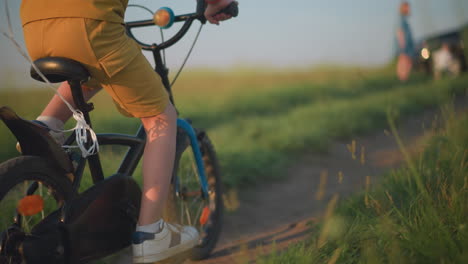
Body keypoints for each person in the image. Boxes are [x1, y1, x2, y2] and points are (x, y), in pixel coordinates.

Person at [19, 0, 235, 262]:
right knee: (161, 116)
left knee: (94, 69)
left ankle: (48, 124)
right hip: (90, 24)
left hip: (34, 27)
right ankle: (151, 234)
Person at [396, 1, 415, 82]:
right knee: (404, 63)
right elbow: (400, 33)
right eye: (407, 8)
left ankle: (404, 79)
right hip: (404, 46)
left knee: (407, 62)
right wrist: (402, 46)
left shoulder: (404, 20)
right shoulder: (402, 20)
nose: (409, 9)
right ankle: (403, 79)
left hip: (407, 45)